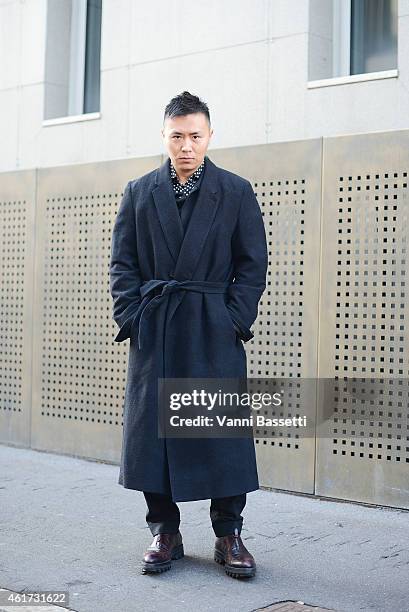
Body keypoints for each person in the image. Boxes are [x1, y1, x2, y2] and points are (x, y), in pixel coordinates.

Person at [109, 91, 268, 579]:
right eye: (177, 136)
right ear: (164, 136)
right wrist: (133, 316)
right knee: (154, 433)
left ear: (209, 136)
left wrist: (233, 320)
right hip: (157, 327)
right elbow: (123, 264)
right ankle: (165, 531)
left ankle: (229, 534)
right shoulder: (139, 192)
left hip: (211, 329)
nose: (186, 145)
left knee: (220, 432)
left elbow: (252, 263)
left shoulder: (235, 191)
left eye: (195, 136)